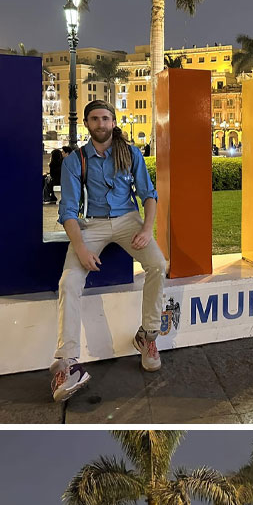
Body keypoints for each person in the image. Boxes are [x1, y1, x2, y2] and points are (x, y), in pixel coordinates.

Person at [51, 100, 166, 402]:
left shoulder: (131, 154)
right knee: (69, 282)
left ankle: (148, 336)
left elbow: (149, 195)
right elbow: (69, 211)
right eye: (94, 119)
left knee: (158, 264)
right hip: (93, 226)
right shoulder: (75, 161)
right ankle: (68, 361)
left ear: (114, 122)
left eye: (105, 118)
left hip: (129, 221)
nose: (100, 124)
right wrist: (81, 248)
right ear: (87, 124)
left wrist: (146, 229)